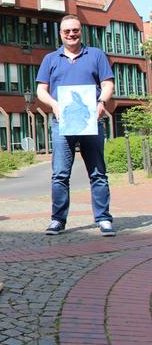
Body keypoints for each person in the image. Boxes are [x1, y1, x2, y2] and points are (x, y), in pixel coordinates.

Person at [36, 14, 115, 237]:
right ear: (60, 34)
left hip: (91, 121)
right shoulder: (50, 59)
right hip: (62, 122)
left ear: (81, 31)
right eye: (67, 31)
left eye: (75, 30)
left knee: (98, 173)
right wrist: (54, 104)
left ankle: (103, 219)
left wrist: (101, 102)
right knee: (60, 174)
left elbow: (107, 84)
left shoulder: (96, 55)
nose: (71, 34)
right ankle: (57, 220)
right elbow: (41, 90)